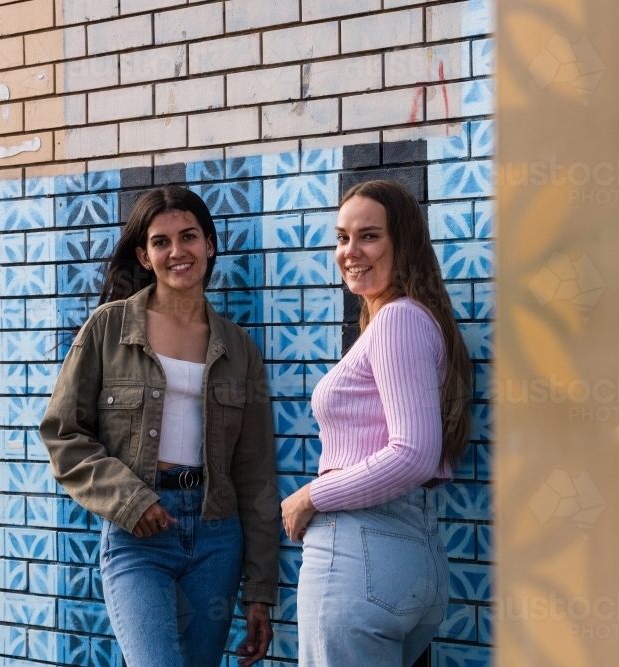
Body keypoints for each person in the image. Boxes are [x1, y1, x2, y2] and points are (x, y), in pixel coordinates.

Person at [40, 186, 279, 667]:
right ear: (144, 256)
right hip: (138, 535)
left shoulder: (239, 348)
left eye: (189, 236)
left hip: (218, 535)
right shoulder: (108, 329)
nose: (177, 252)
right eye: (161, 241)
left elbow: (255, 472)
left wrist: (260, 590)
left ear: (209, 245)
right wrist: (130, 499)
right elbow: (62, 433)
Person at [280, 180, 473, 666]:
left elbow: (413, 454)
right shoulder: (415, 320)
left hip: (359, 556)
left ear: (402, 242)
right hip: (410, 560)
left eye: (369, 236)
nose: (350, 251)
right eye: (342, 237)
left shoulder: (398, 321)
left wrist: (311, 496)